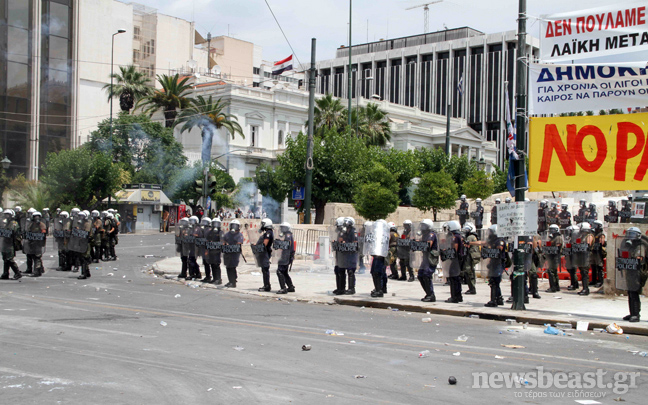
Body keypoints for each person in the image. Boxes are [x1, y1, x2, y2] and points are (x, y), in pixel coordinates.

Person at [618, 227, 646, 323]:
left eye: (632, 235)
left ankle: (636, 315)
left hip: (638, 272)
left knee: (634, 292)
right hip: (630, 271)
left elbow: (638, 258)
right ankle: (632, 313)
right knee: (630, 292)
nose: (630, 237)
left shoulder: (640, 246)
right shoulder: (629, 245)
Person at [413, 219, 439, 302]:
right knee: (420, 275)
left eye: (424, 226)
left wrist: (418, 244)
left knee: (426, 275)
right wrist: (414, 242)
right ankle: (428, 293)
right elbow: (421, 241)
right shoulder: (425, 234)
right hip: (425, 258)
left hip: (430, 258)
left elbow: (428, 244)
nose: (422, 227)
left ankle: (431, 295)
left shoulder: (431, 234)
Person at [481, 225, 506, 307]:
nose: (490, 233)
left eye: (491, 231)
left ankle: (494, 300)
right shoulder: (493, 240)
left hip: (498, 263)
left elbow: (499, 250)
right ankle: (499, 299)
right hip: (493, 263)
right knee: (494, 281)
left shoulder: (499, 241)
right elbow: (483, 242)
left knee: (494, 282)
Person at [442, 220, 463, 303]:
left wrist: (446, 251)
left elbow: (454, 249)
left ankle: (454, 297)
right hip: (458, 259)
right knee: (457, 278)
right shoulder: (459, 236)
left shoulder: (454, 237)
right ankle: (458, 296)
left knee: (453, 278)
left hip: (454, 259)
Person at [274, 222, 295, 294]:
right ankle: (290, 287)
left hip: (286, 255)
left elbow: (287, 244)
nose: (281, 229)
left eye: (283, 227)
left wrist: (278, 243)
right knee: (284, 272)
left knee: (279, 271)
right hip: (286, 255)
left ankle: (283, 288)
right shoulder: (285, 234)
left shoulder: (288, 235)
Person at [0, 209, 22, 280]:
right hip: (4, 242)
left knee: (9, 259)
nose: (6, 216)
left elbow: (13, 231)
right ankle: (5, 273)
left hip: (10, 243)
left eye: (8, 214)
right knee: (5, 259)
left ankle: (17, 272)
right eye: (5, 214)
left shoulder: (13, 223)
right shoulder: (6, 223)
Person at [222, 219, 244, 288]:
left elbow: (239, 243)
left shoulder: (239, 235)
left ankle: (233, 282)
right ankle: (231, 280)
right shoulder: (227, 234)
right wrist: (225, 244)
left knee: (232, 266)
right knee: (228, 267)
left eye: (235, 226)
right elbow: (223, 241)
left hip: (235, 253)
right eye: (232, 226)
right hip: (227, 253)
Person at [255, 218, 275, 292]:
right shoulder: (268, 232)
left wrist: (258, 246)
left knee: (265, 269)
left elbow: (265, 243)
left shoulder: (268, 233)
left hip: (265, 253)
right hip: (264, 252)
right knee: (264, 269)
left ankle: (267, 286)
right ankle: (266, 285)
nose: (261, 226)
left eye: (263, 224)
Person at [575, 222, 594, 296]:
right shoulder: (582, 236)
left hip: (586, 257)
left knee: (585, 273)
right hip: (581, 256)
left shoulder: (589, 236)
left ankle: (586, 289)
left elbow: (587, 245)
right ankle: (584, 288)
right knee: (582, 272)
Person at [544, 224, 563, 293]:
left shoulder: (558, 238)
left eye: (552, 230)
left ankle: (553, 287)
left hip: (555, 256)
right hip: (551, 256)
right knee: (553, 271)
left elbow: (557, 247)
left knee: (551, 271)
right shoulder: (552, 238)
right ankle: (556, 286)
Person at [461, 222, 480, 295]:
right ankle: (472, 288)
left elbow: (466, 246)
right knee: (470, 271)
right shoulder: (473, 236)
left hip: (470, 256)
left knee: (469, 272)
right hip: (473, 256)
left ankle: (472, 289)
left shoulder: (470, 237)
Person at [203, 218, 223, 284]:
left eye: (217, 223)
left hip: (217, 251)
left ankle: (218, 279)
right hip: (211, 250)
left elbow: (222, 241)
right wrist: (206, 250)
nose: (215, 225)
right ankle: (214, 278)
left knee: (216, 264)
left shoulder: (220, 232)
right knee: (212, 264)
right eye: (214, 223)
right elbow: (207, 241)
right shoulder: (210, 232)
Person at [590, 220, 606, 288]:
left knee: (599, 267)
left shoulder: (601, 234)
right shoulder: (594, 234)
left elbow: (602, 243)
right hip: (593, 251)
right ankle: (594, 280)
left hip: (599, 252)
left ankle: (600, 281)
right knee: (593, 266)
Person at [564, 225, 579, 291]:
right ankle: (575, 283)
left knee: (573, 270)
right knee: (570, 270)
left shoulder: (577, 240)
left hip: (574, 257)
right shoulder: (571, 240)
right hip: (570, 256)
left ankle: (574, 284)